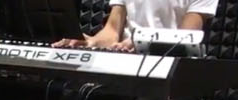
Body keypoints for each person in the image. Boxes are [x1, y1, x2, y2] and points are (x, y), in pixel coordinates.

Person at [55, 0, 216, 51]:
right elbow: (112, 30)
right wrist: (91, 43)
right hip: (123, 57)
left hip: (165, 66)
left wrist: (142, 42)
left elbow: (185, 39)